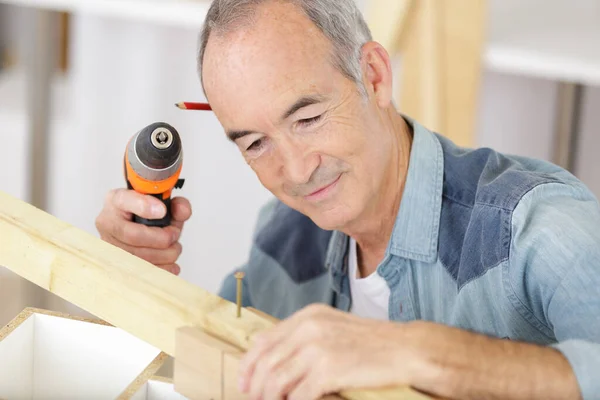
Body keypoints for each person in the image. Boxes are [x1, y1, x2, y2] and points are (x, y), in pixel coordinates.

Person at [95, 0, 600, 399]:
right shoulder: (283, 238)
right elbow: (202, 368)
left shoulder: (537, 227)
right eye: (255, 143)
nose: (295, 171)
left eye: (308, 119)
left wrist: (418, 353)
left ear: (374, 76)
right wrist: (134, 283)